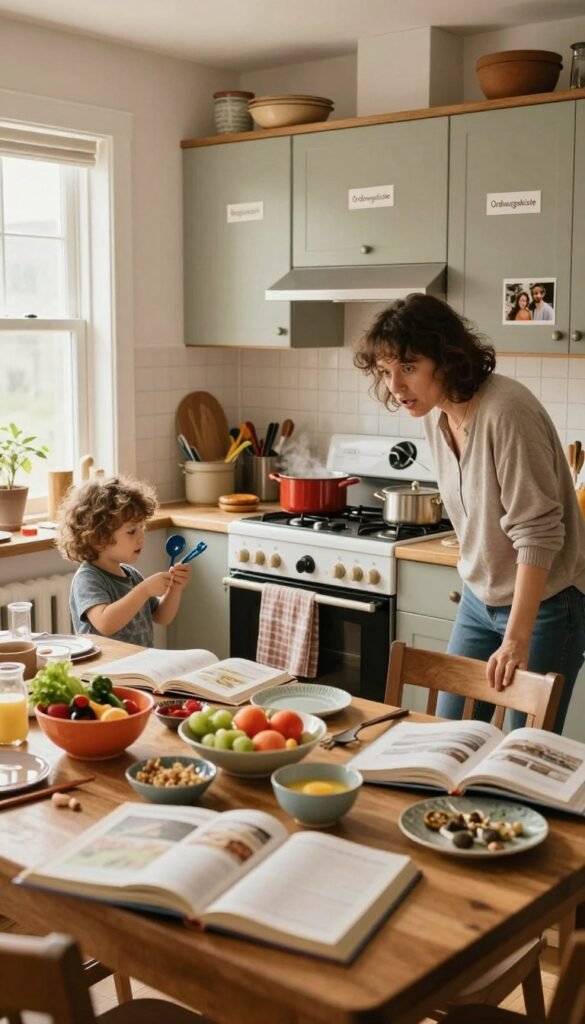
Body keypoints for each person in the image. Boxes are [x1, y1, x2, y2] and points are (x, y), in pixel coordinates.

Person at [354, 293, 585, 733]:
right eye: (386, 372)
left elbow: (538, 533)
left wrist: (517, 639)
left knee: (524, 746)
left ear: (447, 357)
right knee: (448, 734)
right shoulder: (434, 415)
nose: (396, 387)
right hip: (479, 599)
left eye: (408, 368)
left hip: (548, 603)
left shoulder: (506, 412)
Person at [56, 475, 191, 647]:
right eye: (131, 531)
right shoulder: (88, 579)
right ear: (98, 538)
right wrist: (144, 590)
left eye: (142, 528)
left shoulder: (132, 575)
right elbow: (105, 623)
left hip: (138, 668)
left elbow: (161, 616)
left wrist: (175, 589)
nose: (141, 537)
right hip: (105, 671)